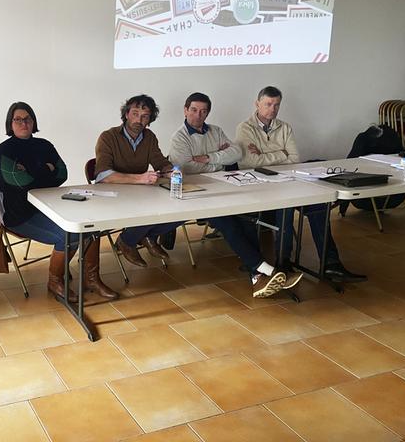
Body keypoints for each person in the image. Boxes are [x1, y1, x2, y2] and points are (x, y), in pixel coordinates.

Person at [169, 92, 303, 298]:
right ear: (185, 110)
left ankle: (258, 277)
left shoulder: (216, 130)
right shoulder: (179, 137)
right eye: (194, 110)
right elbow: (186, 166)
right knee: (227, 222)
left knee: (246, 216)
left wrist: (207, 158)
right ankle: (267, 271)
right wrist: (219, 161)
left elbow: (237, 153)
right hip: (199, 193)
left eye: (203, 111)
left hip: (223, 186)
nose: (198, 115)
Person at [236, 85, 367, 282]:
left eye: (276, 105)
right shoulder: (244, 128)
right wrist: (282, 154)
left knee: (319, 207)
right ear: (257, 104)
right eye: (268, 104)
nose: (272, 109)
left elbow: (295, 159)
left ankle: (331, 264)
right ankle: (283, 263)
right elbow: (249, 163)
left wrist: (265, 154)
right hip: (260, 186)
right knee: (286, 207)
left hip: (288, 181)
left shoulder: (285, 127)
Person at [0, 102, 118, 300]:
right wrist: (46, 169)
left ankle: (91, 279)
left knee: (92, 227)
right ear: (10, 123)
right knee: (66, 236)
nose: (23, 123)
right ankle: (54, 280)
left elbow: (62, 174)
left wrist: (33, 172)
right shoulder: (4, 151)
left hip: (50, 206)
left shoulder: (44, 145)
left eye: (27, 119)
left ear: (33, 122)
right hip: (18, 214)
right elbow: (18, 181)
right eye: (18, 119)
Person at [94, 94, 178, 267]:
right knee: (150, 208)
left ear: (150, 119)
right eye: (135, 114)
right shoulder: (108, 137)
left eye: (145, 116)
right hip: (112, 196)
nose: (139, 120)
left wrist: (171, 171)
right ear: (126, 114)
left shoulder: (149, 137)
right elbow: (103, 175)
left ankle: (143, 236)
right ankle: (128, 240)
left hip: (140, 194)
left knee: (181, 209)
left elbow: (160, 162)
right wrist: (140, 178)